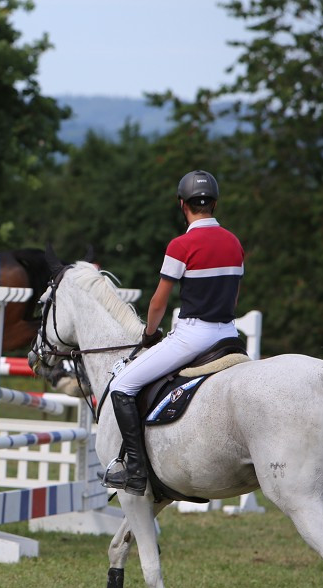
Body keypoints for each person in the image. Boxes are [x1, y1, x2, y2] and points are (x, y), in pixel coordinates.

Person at [103, 170, 244, 495]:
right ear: (215, 203)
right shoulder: (234, 242)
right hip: (228, 334)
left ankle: (136, 472)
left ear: (183, 205)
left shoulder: (181, 245)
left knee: (122, 385)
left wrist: (150, 334)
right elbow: (233, 296)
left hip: (193, 336)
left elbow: (158, 302)